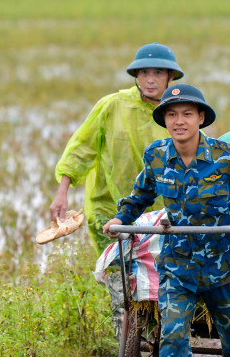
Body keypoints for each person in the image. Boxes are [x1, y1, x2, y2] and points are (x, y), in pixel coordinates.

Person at [103, 84, 230, 357]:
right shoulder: (156, 155)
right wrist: (121, 218)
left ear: (201, 118)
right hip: (178, 266)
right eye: (172, 114)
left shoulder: (227, 155)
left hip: (224, 265)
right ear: (164, 119)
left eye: (187, 114)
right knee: (174, 337)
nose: (180, 121)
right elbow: (140, 196)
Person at [50, 42, 184, 256]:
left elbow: (195, 156)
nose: (150, 80)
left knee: (153, 276)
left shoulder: (178, 112)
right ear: (136, 76)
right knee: (117, 274)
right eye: (144, 72)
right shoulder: (113, 105)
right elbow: (82, 149)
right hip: (107, 208)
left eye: (158, 73)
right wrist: (62, 192)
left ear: (170, 77)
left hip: (156, 213)